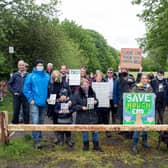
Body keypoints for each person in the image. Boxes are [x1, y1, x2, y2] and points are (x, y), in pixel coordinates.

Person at [23, 59, 50, 149]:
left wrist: (49, 98)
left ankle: (39, 135)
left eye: (41, 65)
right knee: (35, 120)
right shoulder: (31, 76)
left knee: (41, 120)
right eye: (38, 65)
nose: (40, 67)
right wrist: (30, 99)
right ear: (35, 66)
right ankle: (36, 141)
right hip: (34, 102)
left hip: (44, 102)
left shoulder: (47, 76)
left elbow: (50, 88)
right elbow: (26, 89)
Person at [73, 79, 103, 152]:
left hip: (92, 115)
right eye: (84, 85)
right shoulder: (77, 94)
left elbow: (96, 101)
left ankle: (96, 147)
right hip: (83, 117)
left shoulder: (92, 92)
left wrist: (96, 102)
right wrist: (81, 107)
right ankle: (86, 147)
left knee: (95, 131)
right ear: (81, 86)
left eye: (87, 84)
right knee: (85, 132)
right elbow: (74, 106)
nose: (86, 86)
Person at [47, 70, 71, 143]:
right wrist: (47, 99)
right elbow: (48, 94)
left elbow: (70, 93)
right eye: (55, 76)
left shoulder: (65, 84)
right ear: (52, 77)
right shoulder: (50, 84)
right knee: (55, 121)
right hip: (54, 105)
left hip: (64, 104)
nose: (56, 77)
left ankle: (68, 138)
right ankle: (57, 137)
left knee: (66, 121)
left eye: (57, 76)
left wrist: (69, 99)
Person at [131, 74, 153, 153]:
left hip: (146, 110)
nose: (144, 80)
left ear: (147, 80)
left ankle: (144, 142)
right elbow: (132, 95)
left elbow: (150, 97)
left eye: (145, 78)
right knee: (137, 128)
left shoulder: (149, 88)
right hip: (138, 110)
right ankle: (134, 145)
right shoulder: (136, 87)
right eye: (142, 78)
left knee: (145, 127)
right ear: (140, 79)